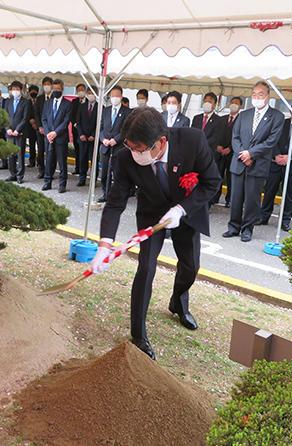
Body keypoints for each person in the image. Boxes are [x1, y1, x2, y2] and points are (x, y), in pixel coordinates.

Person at [90, 107, 221, 359]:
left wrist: (182, 209)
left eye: (140, 149)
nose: (135, 154)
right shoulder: (124, 158)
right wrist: (104, 245)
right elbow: (115, 202)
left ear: (161, 142)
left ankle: (178, 302)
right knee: (146, 268)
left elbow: (212, 182)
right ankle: (138, 335)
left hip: (186, 210)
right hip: (151, 212)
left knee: (190, 266)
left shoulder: (192, 141)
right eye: (131, 147)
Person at [223, 81, 284, 242]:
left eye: (261, 94)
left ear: (268, 96)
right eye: (254, 94)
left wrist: (251, 154)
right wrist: (243, 154)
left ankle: (247, 229)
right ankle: (233, 227)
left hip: (258, 164)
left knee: (252, 199)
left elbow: (271, 141)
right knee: (235, 198)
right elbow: (235, 137)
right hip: (239, 163)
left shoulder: (277, 116)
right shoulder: (244, 114)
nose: (257, 97)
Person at [258, 101, 292, 230]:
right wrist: (276, 155)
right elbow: (274, 139)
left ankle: (285, 220)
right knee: (269, 191)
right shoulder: (283, 123)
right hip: (276, 163)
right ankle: (264, 216)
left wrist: (290, 157)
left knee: (289, 194)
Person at [98, 85, 131, 202]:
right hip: (105, 147)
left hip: (119, 148)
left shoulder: (127, 112)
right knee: (104, 174)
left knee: (118, 175)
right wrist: (103, 139)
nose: (114, 98)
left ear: (121, 97)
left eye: (117, 96)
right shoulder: (106, 110)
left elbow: (126, 130)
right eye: (112, 96)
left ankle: (117, 196)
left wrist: (116, 140)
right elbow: (100, 128)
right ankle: (105, 194)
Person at [192, 92, 226, 206]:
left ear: (215, 104)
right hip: (195, 155)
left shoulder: (219, 120)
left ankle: (207, 203)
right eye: (205, 100)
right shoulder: (196, 118)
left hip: (210, 154)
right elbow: (192, 134)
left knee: (206, 179)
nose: (207, 103)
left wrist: (200, 143)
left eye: (210, 101)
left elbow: (216, 138)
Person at [41, 79, 72, 193]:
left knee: (62, 162)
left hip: (61, 137)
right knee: (49, 160)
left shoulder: (67, 104)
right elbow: (44, 118)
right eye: (54, 89)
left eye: (58, 89)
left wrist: (55, 133)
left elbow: (66, 121)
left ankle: (62, 184)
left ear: (62, 89)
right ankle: (47, 182)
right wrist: (48, 132)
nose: (56, 91)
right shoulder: (47, 102)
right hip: (48, 137)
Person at [216, 96, 243, 208]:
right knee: (218, 175)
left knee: (231, 178)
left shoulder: (242, 120)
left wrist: (230, 148)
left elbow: (241, 137)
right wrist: (217, 146)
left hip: (233, 154)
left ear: (240, 106)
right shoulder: (221, 119)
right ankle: (214, 198)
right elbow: (216, 134)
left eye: (236, 103)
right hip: (219, 152)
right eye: (232, 102)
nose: (233, 104)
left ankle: (229, 200)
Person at [3, 81, 31, 184]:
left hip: (20, 133)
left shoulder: (26, 102)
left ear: (21, 90)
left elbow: (25, 118)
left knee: (20, 155)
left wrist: (17, 130)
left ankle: (20, 176)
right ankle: (12, 174)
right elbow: (4, 116)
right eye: (13, 89)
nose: (15, 91)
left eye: (17, 89)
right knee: (10, 154)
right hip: (9, 133)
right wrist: (8, 129)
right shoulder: (8, 102)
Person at [76, 86, 98, 186]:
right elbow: (78, 122)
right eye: (89, 92)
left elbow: (100, 123)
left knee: (94, 160)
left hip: (94, 139)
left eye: (92, 93)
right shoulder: (82, 106)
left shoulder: (100, 107)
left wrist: (94, 135)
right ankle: (82, 178)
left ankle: (93, 180)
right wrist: (81, 134)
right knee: (82, 159)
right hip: (83, 138)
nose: (90, 95)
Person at [35, 76, 53, 179]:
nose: (46, 86)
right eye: (45, 84)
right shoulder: (40, 99)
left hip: (51, 130)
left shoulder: (54, 98)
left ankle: (50, 171)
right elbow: (36, 113)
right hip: (41, 130)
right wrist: (40, 126)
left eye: (48, 84)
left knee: (51, 151)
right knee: (41, 150)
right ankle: (41, 170)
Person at [70, 83, 87, 175]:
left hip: (85, 131)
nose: (81, 92)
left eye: (82, 89)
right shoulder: (74, 102)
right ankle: (77, 168)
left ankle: (83, 170)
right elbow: (71, 115)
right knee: (77, 150)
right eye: (79, 90)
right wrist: (75, 124)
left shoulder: (88, 101)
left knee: (84, 151)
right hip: (76, 130)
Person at [26, 85, 39, 167]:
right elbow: (25, 113)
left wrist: (37, 124)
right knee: (31, 145)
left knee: (40, 146)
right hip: (30, 127)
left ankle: (40, 161)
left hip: (39, 126)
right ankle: (32, 161)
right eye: (31, 91)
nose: (33, 92)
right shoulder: (27, 102)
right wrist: (31, 122)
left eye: (35, 91)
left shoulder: (40, 101)